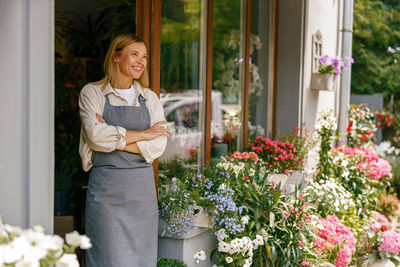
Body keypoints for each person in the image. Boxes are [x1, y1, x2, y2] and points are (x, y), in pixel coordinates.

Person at [78, 33, 170, 267]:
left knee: (142, 260)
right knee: (107, 257)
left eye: (144, 56)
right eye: (134, 54)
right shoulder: (93, 93)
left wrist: (114, 135)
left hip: (142, 194)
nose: (141, 61)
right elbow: (96, 138)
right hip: (106, 194)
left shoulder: (149, 98)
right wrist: (143, 135)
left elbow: (158, 145)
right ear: (116, 57)